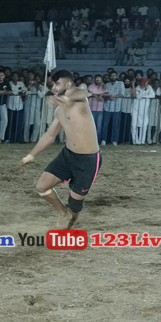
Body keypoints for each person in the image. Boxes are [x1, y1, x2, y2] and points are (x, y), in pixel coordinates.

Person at [19, 68, 101, 228]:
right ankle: (63, 213)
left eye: (57, 84)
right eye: (53, 85)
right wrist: (31, 155)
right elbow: (49, 136)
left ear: (68, 84)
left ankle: (71, 222)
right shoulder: (59, 110)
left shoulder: (80, 102)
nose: (54, 88)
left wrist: (65, 98)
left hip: (88, 159)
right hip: (68, 155)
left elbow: (84, 93)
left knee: (74, 203)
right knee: (42, 187)